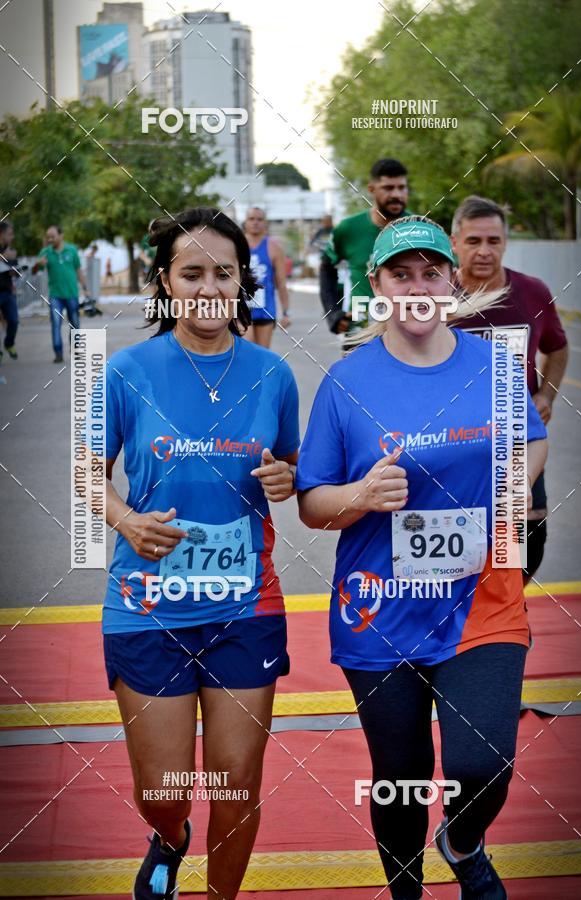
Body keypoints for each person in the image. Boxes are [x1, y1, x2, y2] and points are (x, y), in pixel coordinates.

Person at [297, 216, 547, 900]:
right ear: (376, 284)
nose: (417, 287)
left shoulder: (492, 365)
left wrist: (517, 483)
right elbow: (312, 504)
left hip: (483, 601)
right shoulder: (347, 383)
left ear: (452, 281)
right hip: (380, 612)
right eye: (400, 274)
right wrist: (359, 493)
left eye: (431, 272)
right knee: (400, 772)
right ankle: (405, 887)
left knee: (484, 762)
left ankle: (463, 844)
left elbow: (530, 439)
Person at [97, 207, 299, 899]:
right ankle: (169, 835)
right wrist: (125, 519)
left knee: (236, 786)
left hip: (245, 607)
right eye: (193, 272)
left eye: (224, 272)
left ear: (243, 281)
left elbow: (296, 470)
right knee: (163, 790)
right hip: (146, 605)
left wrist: (288, 476)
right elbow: (81, 471)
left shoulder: (273, 373)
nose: (209, 286)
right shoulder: (125, 370)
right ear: (165, 282)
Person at [450, 195, 568, 583]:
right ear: (455, 243)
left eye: (494, 241)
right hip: (452, 443)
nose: (484, 251)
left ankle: (509, 616)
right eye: (473, 241)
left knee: (525, 540)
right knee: (456, 540)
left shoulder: (532, 292)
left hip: (515, 443)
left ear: (505, 242)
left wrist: (546, 395)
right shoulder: (437, 296)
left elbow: (557, 348)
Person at [319, 158, 412, 338]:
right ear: (371, 189)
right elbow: (326, 268)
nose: (397, 194)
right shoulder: (348, 229)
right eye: (388, 188)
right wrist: (333, 314)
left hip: (408, 330)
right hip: (361, 331)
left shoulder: (419, 228)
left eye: (402, 187)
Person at [32, 226, 90, 363]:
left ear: (61, 235)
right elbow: (34, 271)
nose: (50, 239)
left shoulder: (72, 250)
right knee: (56, 323)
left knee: (75, 323)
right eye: (48, 237)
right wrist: (37, 264)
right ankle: (58, 353)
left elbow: (78, 270)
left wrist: (85, 288)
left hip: (71, 294)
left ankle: (76, 351)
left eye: (53, 236)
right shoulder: (45, 252)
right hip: (55, 296)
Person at [243, 207, 290, 347]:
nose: (255, 222)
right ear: (245, 222)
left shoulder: (274, 248)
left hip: (265, 308)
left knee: (263, 353)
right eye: (251, 219)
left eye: (259, 219)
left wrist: (286, 312)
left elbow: (281, 283)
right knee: (247, 349)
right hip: (242, 306)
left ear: (265, 223)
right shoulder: (236, 245)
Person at [0, 222, 19, 361]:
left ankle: (9, 343)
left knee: (13, 321)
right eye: (9, 234)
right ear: (1, 234)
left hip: (7, 291)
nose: (12, 237)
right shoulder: (6, 252)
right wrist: (3, 256)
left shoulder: (10, 250)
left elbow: (16, 272)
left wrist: (15, 272)